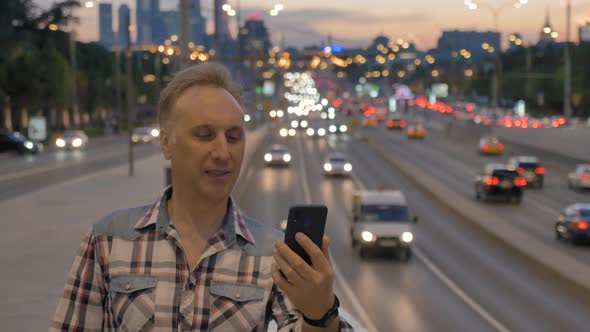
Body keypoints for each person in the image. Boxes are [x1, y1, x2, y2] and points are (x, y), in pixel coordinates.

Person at [51, 63, 353, 331]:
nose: (223, 153)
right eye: (204, 135)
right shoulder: (109, 241)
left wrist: (320, 313)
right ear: (167, 143)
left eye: (234, 137)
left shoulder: (271, 256)